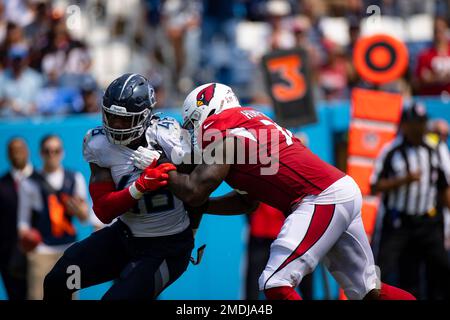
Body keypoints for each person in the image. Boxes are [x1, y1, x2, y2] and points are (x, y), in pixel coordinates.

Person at [157, 82, 415, 300]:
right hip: (339, 190)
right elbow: (248, 203)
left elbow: (193, 192)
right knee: (368, 292)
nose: (193, 132)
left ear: (207, 111)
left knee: (274, 282)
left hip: (320, 197)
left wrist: (160, 171)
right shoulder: (249, 124)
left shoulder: (220, 128)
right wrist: (205, 206)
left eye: (192, 124)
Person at [43, 73, 194, 300]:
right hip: (124, 239)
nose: (115, 125)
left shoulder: (169, 136)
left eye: (124, 119)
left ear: (144, 116)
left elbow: (196, 187)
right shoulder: (99, 144)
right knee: (59, 280)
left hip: (166, 248)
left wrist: (165, 163)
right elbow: (104, 211)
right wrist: (140, 186)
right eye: (111, 116)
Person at [371, 102, 450, 299]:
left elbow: (444, 186)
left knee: (441, 269)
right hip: (400, 223)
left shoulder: (435, 148)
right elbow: (374, 185)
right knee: (393, 271)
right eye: (415, 123)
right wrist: (403, 181)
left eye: (422, 123)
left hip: (428, 222)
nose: (419, 128)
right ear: (404, 125)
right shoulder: (391, 150)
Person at [17, 134, 89, 300]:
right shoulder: (29, 182)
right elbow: (23, 221)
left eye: (56, 151)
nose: (52, 155)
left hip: (70, 250)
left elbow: (85, 218)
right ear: (41, 153)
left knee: (71, 296)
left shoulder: (75, 178)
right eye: (47, 151)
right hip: (42, 250)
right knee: (37, 295)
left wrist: (78, 210)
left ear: (62, 153)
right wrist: (27, 241)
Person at [0, 138, 33, 300]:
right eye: (12, 150)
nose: (17, 154)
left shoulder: (41, 180)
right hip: (9, 256)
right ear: (8, 155)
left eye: (20, 149)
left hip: (40, 254)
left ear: (27, 151)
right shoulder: (2, 185)